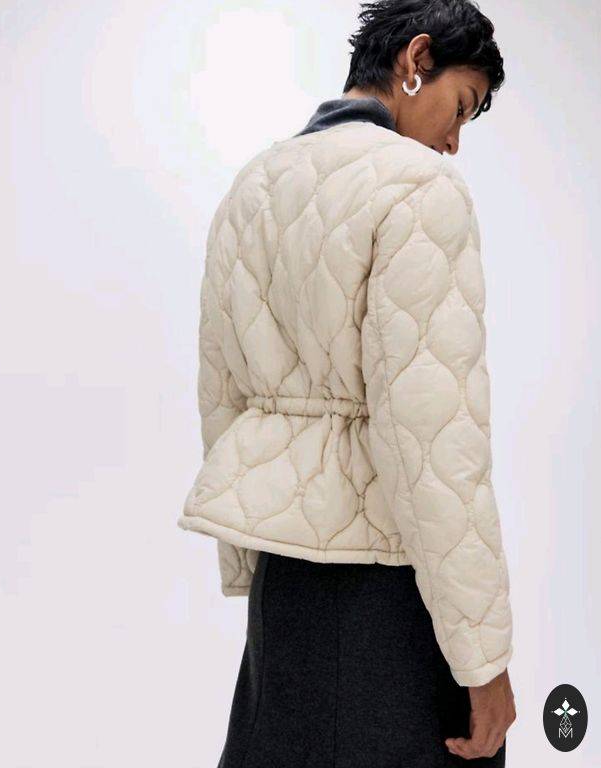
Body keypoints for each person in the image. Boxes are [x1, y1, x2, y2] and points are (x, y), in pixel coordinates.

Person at [179, 0, 517, 765]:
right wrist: (484, 659)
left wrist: (249, 556)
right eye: (461, 106)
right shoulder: (419, 188)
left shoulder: (253, 187)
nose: (454, 141)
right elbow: (435, 442)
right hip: (385, 594)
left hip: (282, 589)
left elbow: (221, 391)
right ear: (416, 60)